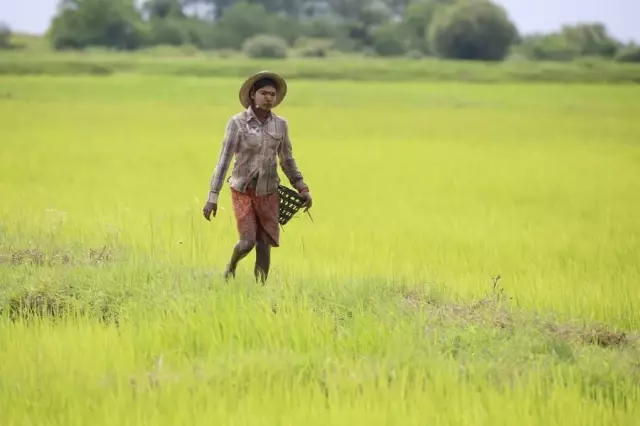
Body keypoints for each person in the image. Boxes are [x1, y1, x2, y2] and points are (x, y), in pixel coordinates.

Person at [202, 71, 312, 283]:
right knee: (247, 242)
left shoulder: (280, 125)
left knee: (264, 243)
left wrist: (302, 188)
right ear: (253, 94)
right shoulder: (237, 123)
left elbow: (287, 160)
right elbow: (224, 160)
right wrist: (212, 196)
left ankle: (260, 289)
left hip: (268, 190)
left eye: (272, 94)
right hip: (243, 189)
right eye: (264, 93)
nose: (269, 98)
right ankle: (231, 267)